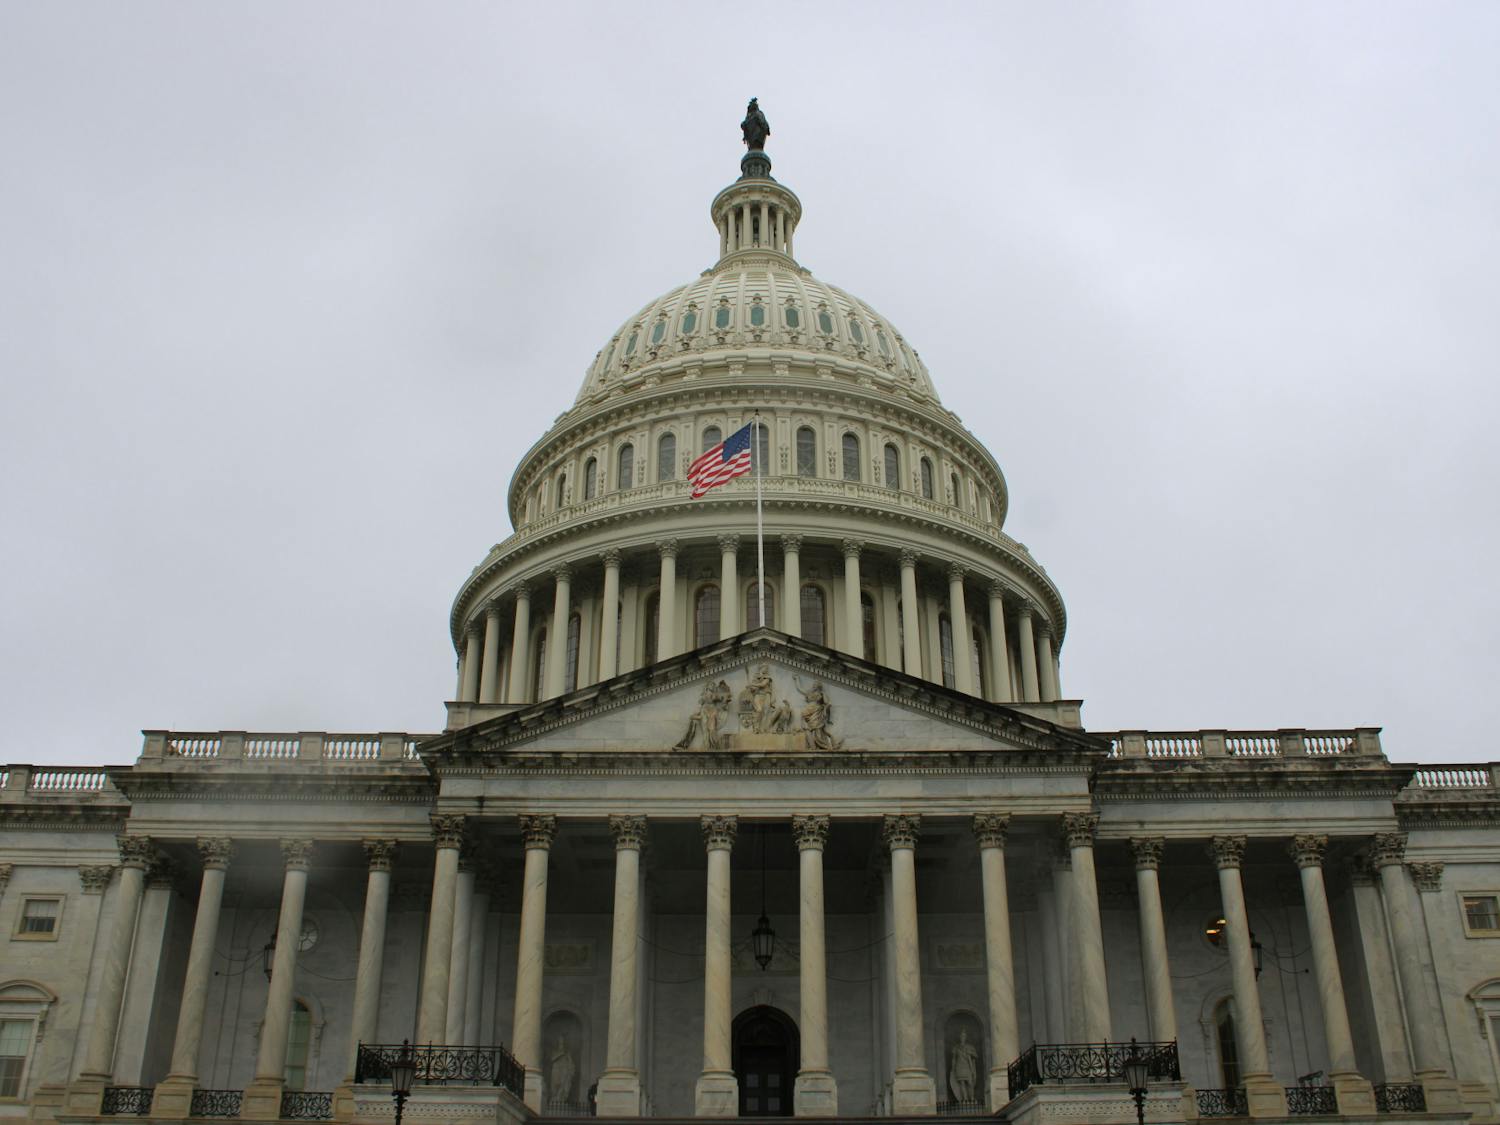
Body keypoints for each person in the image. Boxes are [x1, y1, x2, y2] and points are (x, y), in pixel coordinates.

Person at [949, 1029, 978, 1104]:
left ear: (966, 1037)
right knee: (962, 1083)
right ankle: (965, 1099)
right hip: (959, 1066)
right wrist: (953, 1068)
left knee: (970, 1083)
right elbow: (954, 1059)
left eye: (964, 1036)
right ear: (960, 1037)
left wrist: (970, 1053)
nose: (962, 1037)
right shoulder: (956, 1047)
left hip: (968, 1066)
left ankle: (972, 1098)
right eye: (961, 1036)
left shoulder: (970, 1047)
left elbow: (976, 1056)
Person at [548, 1036, 576, 1105]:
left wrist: (571, 1069)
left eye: (562, 1041)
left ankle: (561, 1100)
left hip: (564, 1070)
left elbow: (571, 1063)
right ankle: (555, 1098)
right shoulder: (555, 1051)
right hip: (556, 1069)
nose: (561, 1042)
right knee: (554, 1085)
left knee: (563, 1086)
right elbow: (552, 1058)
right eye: (560, 1041)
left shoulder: (567, 1052)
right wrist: (561, 1053)